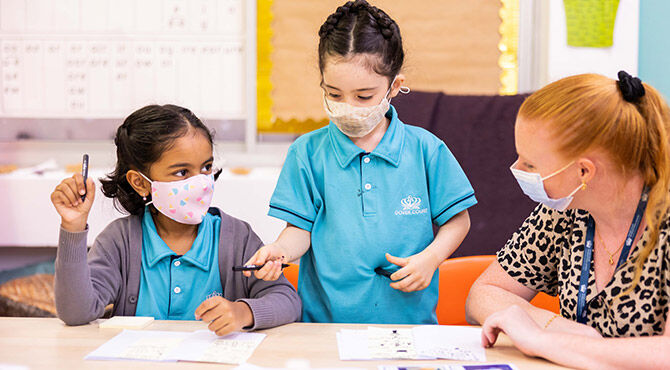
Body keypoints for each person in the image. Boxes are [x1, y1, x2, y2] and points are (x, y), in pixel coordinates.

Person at [244, 0, 476, 324]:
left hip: (410, 328)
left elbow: (458, 221)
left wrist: (431, 259)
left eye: (363, 96)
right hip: (325, 330)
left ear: (394, 86)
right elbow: (299, 230)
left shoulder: (427, 150)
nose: (348, 107)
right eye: (334, 94)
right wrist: (279, 251)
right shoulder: (307, 153)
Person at [465, 72, 670, 368]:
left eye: (531, 163)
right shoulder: (565, 210)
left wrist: (541, 339)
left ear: (584, 172)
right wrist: (557, 327)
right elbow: (483, 295)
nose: (517, 168)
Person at [51, 104, 301, 336]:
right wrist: (72, 227)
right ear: (140, 183)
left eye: (206, 167)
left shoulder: (235, 236)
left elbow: (287, 300)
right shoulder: (120, 241)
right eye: (182, 172)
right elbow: (76, 313)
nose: (201, 182)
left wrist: (243, 313)